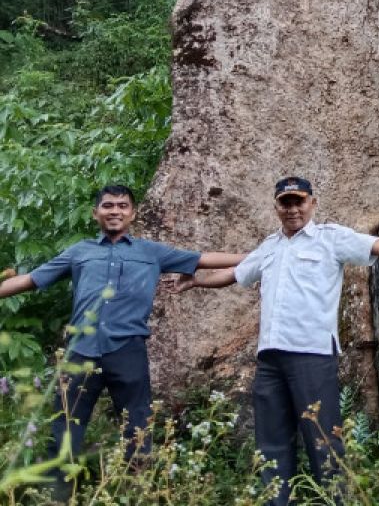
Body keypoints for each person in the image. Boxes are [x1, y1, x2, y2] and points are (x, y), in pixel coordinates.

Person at [174, 176, 379, 506]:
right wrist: (197, 282)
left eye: (299, 201)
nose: (293, 208)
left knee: (322, 438)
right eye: (286, 202)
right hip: (270, 358)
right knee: (271, 440)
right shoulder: (269, 246)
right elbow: (236, 273)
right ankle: (276, 501)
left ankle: (333, 500)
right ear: (277, 207)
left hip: (311, 354)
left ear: (312, 203)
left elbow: (375, 245)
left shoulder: (330, 238)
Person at [0, 183, 247, 499]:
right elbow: (30, 279)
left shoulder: (152, 252)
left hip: (127, 351)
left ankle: (136, 495)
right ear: (96, 213)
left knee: (137, 431)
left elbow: (206, 258)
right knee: (64, 431)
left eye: (121, 206)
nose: (114, 211)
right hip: (80, 353)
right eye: (107, 206)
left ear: (132, 213)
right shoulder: (79, 252)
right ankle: (57, 498)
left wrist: (264, 254)